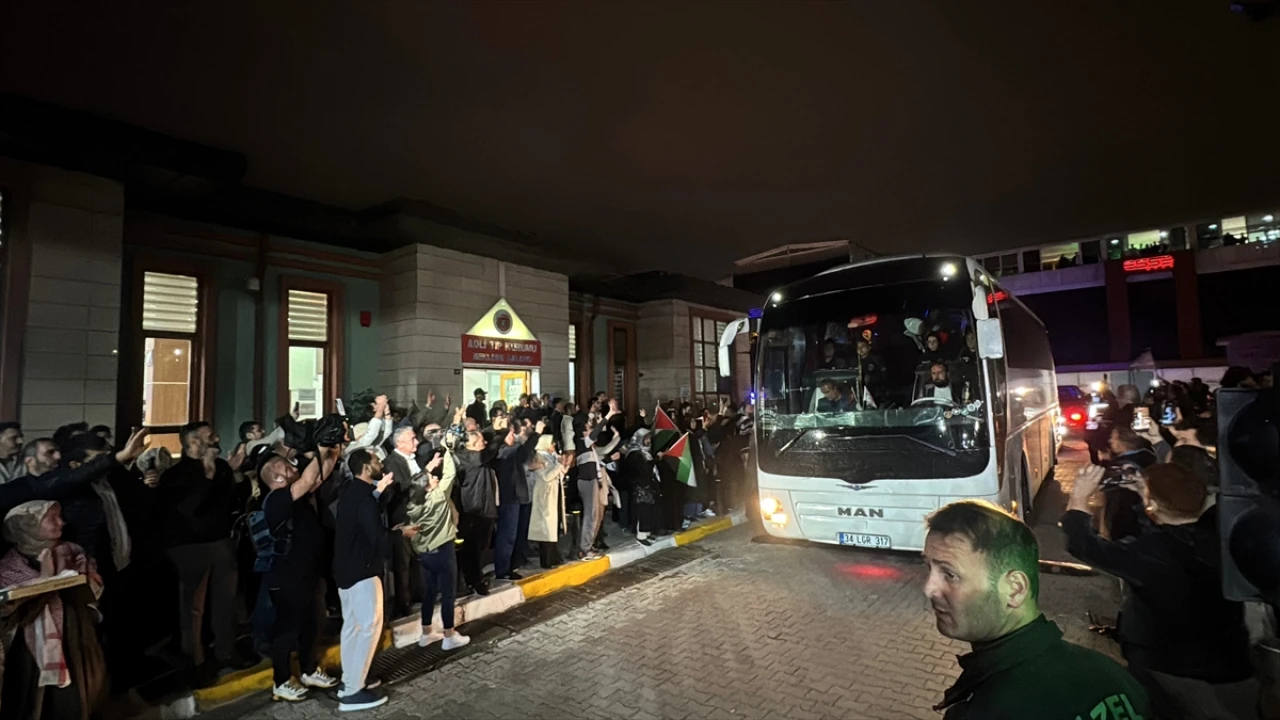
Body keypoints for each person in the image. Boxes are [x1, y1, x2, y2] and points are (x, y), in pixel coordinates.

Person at [922, 500, 1150, 719]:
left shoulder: (988, 709)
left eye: (950, 574)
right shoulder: (1113, 675)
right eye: (928, 567)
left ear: (1014, 589)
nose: (929, 588)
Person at [1063, 463, 1258, 719]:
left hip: (1167, 669)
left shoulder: (1149, 554)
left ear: (1153, 505)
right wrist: (1147, 499)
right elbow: (1171, 530)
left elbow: (1083, 544)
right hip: (1232, 664)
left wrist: (1079, 497)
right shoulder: (1226, 535)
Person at [154, 421, 255, 682]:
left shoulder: (221, 467)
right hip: (189, 547)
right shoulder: (175, 475)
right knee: (193, 608)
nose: (217, 438)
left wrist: (236, 473)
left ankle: (226, 652)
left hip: (221, 543)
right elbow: (190, 508)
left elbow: (236, 500)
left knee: (225, 601)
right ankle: (195, 660)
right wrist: (208, 473)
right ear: (193, 443)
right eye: (210, 436)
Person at [0, 500, 106, 720]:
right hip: (31, 639)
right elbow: (8, 605)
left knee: (79, 690)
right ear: (28, 525)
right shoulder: (9, 565)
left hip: (73, 630)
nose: (61, 522)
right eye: (51, 518)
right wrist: (44, 580)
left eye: (60, 516)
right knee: (36, 698)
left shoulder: (71, 552)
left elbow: (91, 586)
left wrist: (85, 581)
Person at [258, 448, 341, 702]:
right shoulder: (277, 499)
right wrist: (320, 451)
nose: (294, 467)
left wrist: (333, 451)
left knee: (312, 623)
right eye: (287, 467)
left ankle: (308, 670)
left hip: (308, 572)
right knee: (287, 629)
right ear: (277, 477)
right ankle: (281, 681)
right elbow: (306, 479)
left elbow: (319, 476)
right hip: (287, 576)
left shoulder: (299, 496)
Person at [332, 449, 398, 711]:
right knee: (369, 627)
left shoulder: (352, 492)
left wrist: (378, 491)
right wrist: (400, 534)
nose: (380, 463)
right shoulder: (364, 499)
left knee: (352, 627)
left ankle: (351, 680)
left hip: (345, 570)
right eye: (376, 461)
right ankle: (353, 691)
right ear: (366, 468)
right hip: (363, 571)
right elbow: (377, 537)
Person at [404, 418, 470, 652]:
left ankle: (426, 632)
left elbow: (422, 481)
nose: (435, 478)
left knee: (430, 592)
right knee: (448, 594)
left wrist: (428, 470)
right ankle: (449, 635)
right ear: (428, 486)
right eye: (432, 479)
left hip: (425, 554)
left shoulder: (413, 504)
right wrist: (447, 449)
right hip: (443, 550)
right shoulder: (438, 496)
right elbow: (450, 473)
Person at [527, 434, 567, 567]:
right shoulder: (539, 456)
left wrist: (563, 464)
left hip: (554, 494)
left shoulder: (552, 456)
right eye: (551, 443)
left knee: (554, 527)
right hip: (545, 496)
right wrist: (558, 466)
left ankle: (554, 557)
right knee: (546, 529)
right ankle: (547, 560)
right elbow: (546, 476)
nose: (553, 445)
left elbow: (560, 473)